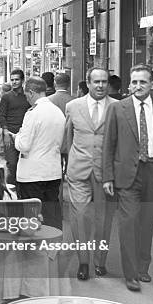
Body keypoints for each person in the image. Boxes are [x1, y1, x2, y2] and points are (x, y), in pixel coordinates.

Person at [102, 64, 153, 292]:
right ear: (130, 83)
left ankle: (142, 267)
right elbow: (108, 145)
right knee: (128, 224)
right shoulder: (118, 108)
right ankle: (131, 275)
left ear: (152, 84)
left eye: (143, 82)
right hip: (127, 175)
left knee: (146, 225)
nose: (138, 86)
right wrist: (107, 177)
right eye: (134, 82)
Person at [64, 68, 117, 281]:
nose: (101, 85)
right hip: (79, 170)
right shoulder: (72, 106)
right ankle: (83, 262)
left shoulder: (117, 107)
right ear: (88, 82)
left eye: (104, 82)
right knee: (80, 217)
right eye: (96, 81)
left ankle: (100, 262)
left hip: (105, 173)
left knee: (103, 220)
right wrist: (70, 165)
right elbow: (68, 138)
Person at [12, 77, 65, 230]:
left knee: (32, 218)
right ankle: (54, 248)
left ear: (32, 92)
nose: (26, 98)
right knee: (52, 215)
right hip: (53, 171)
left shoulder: (32, 113)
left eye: (26, 94)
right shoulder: (57, 112)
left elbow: (24, 145)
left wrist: (17, 137)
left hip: (32, 174)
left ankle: (34, 252)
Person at [0, 69, 30, 185]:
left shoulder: (27, 96)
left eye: (17, 79)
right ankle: (11, 190)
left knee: (25, 163)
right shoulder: (6, 97)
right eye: (12, 80)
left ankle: (22, 191)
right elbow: (1, 116)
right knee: (12, 163)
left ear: (22, 80)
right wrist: (5, 133)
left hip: (24, 134)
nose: (14, 82)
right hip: (9, 134)